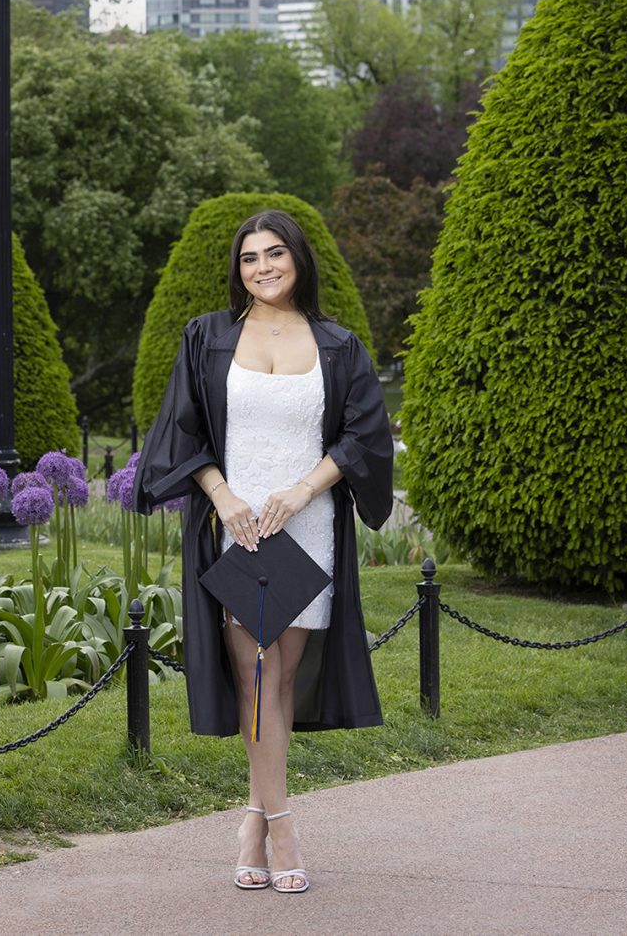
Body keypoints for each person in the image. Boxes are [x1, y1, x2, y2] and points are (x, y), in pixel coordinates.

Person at [133, 209, 393, 894]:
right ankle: (282, 824)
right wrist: (223, 499)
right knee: (255, 679)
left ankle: (252, 817)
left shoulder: (338, 346)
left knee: (279, 680)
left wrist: (305, 489)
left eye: (275, 253)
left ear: (298, 259)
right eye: (250, 258)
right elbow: (183, 430)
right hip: (240, 528)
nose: (263, 267)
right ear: (237, 268)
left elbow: (362, 435)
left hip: (306, 529)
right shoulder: (208, 337)